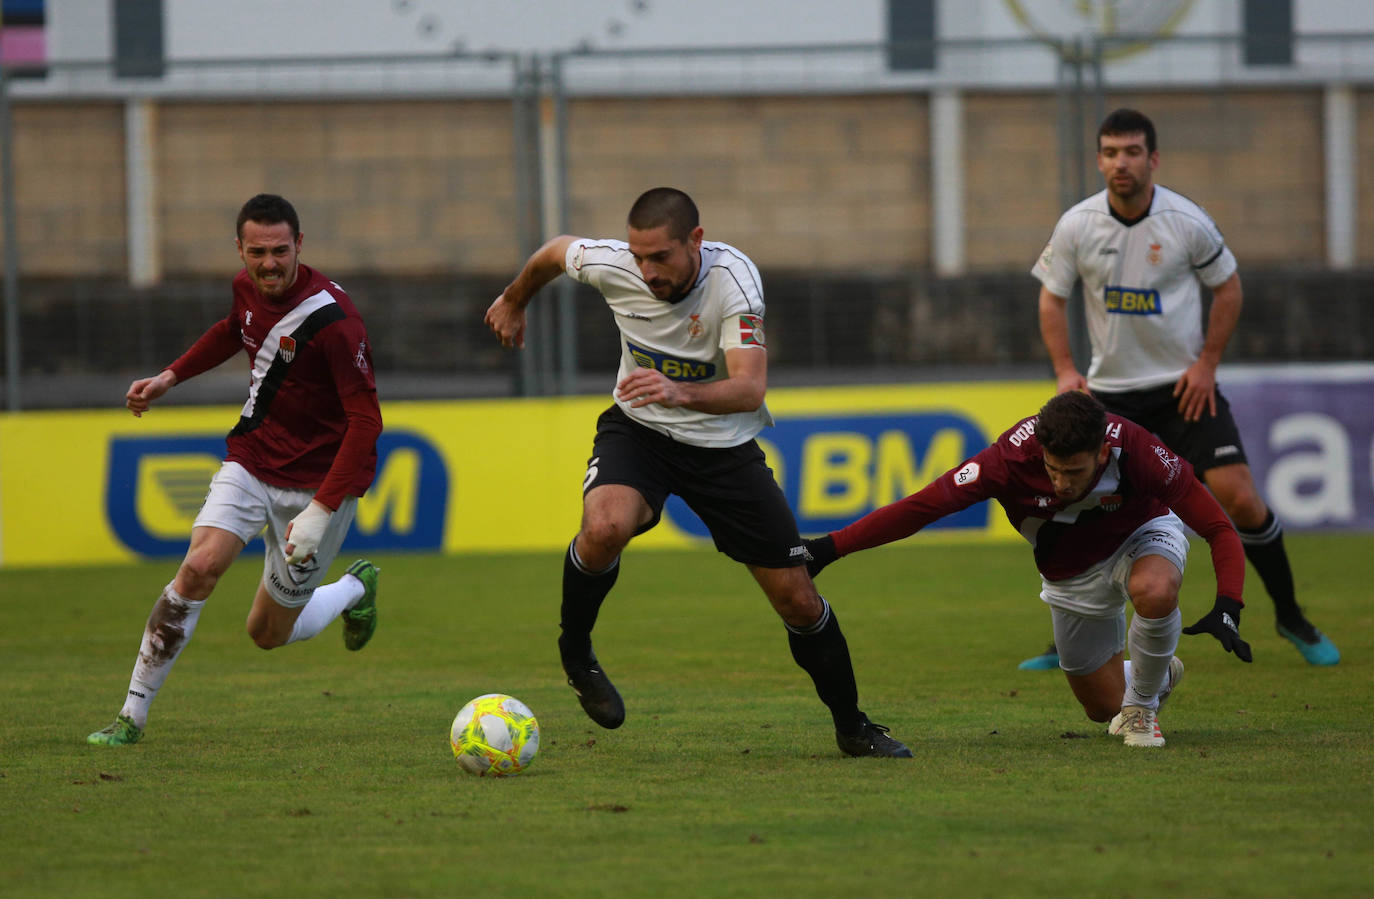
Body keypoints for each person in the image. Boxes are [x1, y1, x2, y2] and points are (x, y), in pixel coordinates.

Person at [483, 187, 910, 758]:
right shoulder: (615, 265)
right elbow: (555, 252)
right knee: (603, 528)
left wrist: (676, 391)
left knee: (799, 601)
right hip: (638, 433)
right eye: (638, 256)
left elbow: (749, 388)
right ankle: (576, 651)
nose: (645, 270)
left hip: (722, 451)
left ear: (696, 242)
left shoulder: (733, 283)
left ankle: (854, 728)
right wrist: (514, 300)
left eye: (659, 257)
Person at [1025, 107, 1338, 669]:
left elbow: (1229, 289)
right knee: (1081, 510)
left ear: (1153, 158)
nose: (1121, 163)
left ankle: (1292, 617)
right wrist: (1065, 371)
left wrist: (1207, 364)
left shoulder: (1185, 221)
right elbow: (1052, 296)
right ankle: (1068, 639)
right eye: (1111, 152)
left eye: (1132, 152)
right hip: (1111, 397)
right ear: (1099, 159)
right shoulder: (1077, 224)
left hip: (1183, 391)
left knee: (1239, 497)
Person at [88, 194, 384, 746]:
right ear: (240, 250)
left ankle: (352, 590)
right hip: (251, 458)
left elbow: (365, 423)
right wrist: (169, 377)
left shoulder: (337, 323)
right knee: (199, 566)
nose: (268, 263)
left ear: (300, 245)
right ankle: (131, 717)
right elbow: (233, 330)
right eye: (256, 252)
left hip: (318, 489)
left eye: (279, 251)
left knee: (267, 633)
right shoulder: (245, 287)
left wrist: (320, 511)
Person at [804, 390, 1252, 747]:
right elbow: (922, 507)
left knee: (1154, 590)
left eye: (1074, 471)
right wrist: (830, 548)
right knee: (1100, 709)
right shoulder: (1006, 461)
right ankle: (1156, 675)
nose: (1061, 482)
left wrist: (1229, 601)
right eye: (1053, 470)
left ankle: (1141, 713)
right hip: (1070, 573)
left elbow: (1216, 525)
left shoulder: (1137, 448)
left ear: (1101, 453)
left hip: (1142, 535)